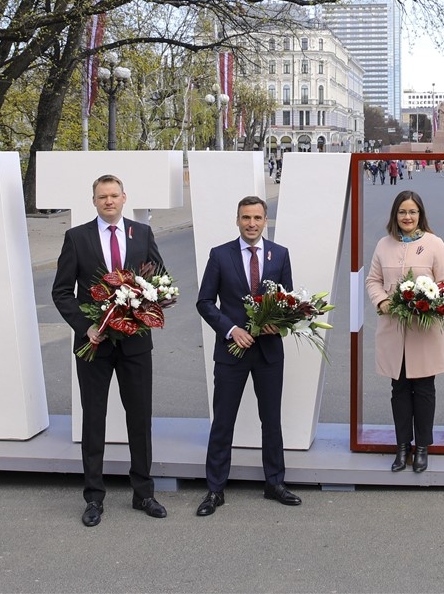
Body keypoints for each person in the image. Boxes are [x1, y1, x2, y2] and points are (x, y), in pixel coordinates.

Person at [51, 174, 168, 527]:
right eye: (102, 197)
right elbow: (61, 291)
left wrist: (145, 307)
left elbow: (160, 281)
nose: (109, 201)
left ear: (124, 198)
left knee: (140, 418)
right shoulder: (77, 238)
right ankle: (93, 497)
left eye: (114, 195)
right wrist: (84, 326)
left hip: (135, 344)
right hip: (94, 343)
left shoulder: (142, 234)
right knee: (93, 419)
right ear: (94, 201)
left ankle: (143, 493)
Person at [194, 196, 301, 516]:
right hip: (232, 352)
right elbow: (204, 302)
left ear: (265, 220)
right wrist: (230, 330)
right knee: (223, 422)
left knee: (271, 420)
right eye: (245, 218)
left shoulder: (279, 254)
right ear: (237, 220)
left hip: (268, 353)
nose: (251, 223)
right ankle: (215, 489)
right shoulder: (220, 255)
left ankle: (275, 483)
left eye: (256, 218)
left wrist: (278, 323)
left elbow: (288, 301)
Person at [364, 191, 444, 473]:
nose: (407, 217)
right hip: (394, 329)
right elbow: (373, 280)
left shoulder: (434, 244)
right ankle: (402, 446)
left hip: (424, 331)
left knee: (424, 389)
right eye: (402, 212)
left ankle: (423, 447)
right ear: (395, 215)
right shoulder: (384, 244)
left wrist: (430, 302)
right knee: (399, 389)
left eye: (412, 212)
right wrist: (382, 300)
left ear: (420, 214)